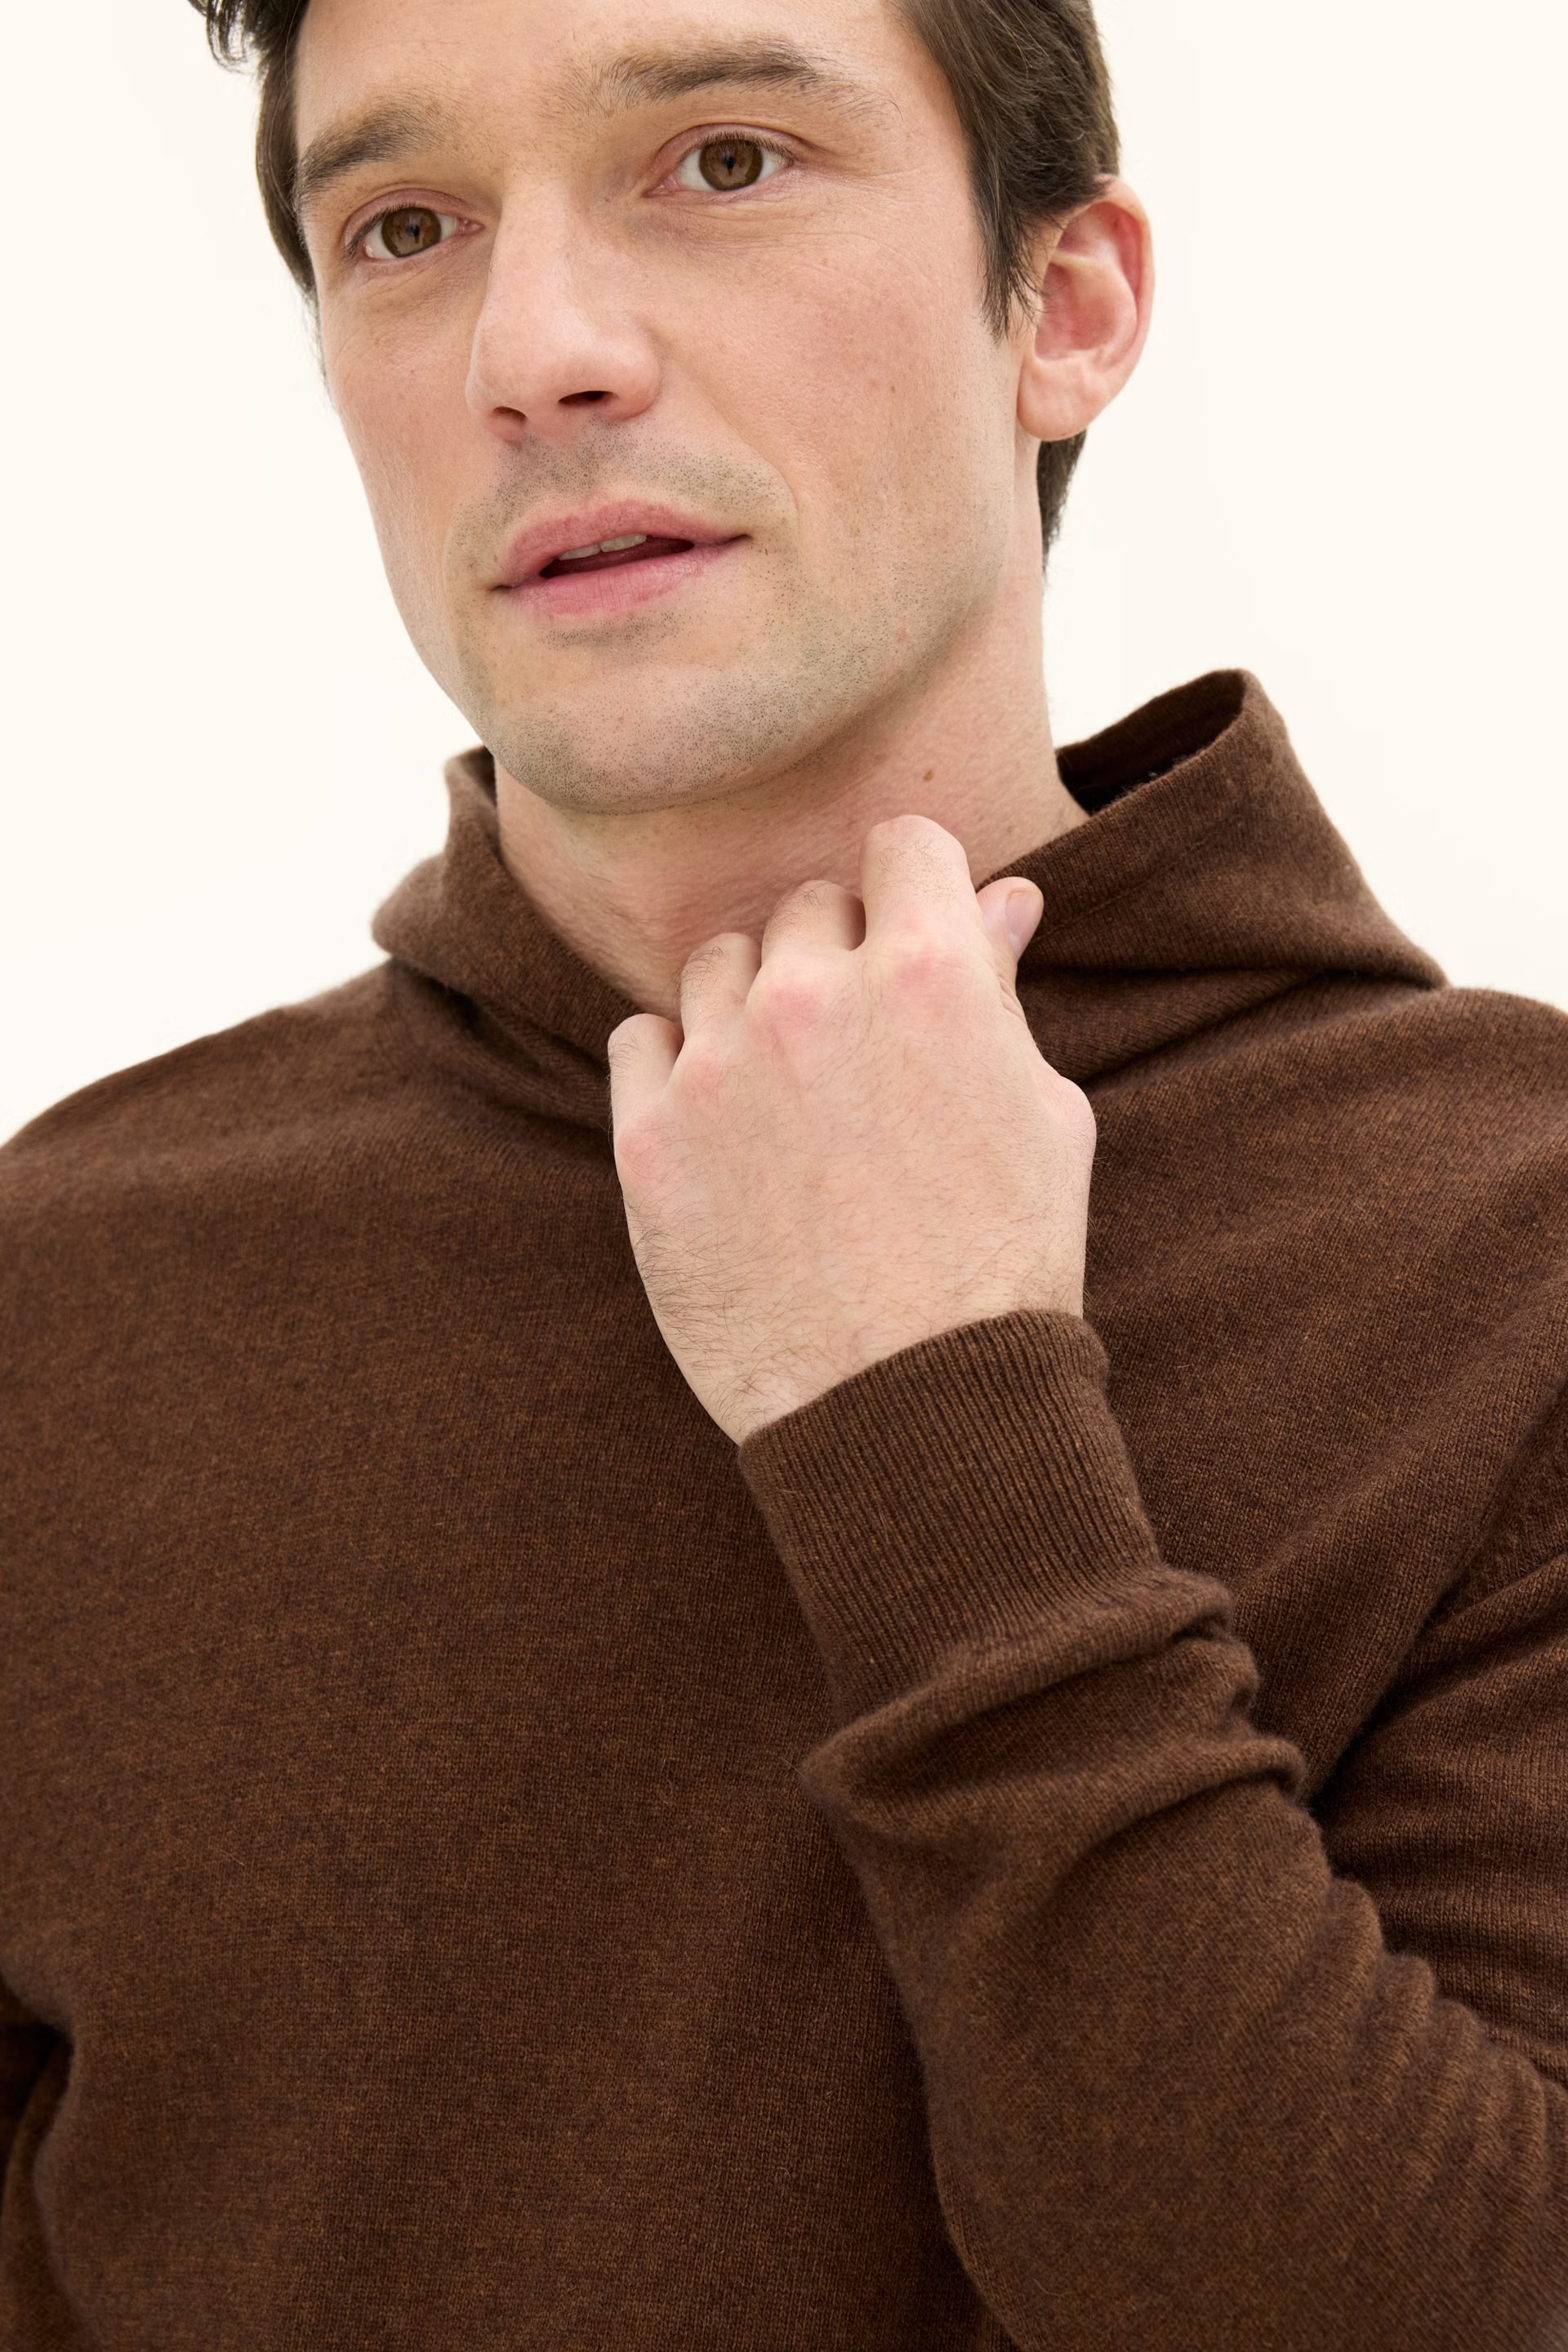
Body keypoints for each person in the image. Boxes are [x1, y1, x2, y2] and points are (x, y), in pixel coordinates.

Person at [1, 0, 1564, 2342]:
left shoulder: (1518, 1250)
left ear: (1065, 304)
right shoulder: (64, 1295)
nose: (536, 351)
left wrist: (929, 1411)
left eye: (723, 162)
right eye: (405, 228)